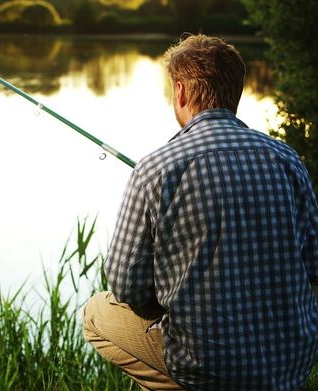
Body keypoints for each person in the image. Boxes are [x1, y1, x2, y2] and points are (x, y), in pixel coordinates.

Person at [82, 34, 318, 391]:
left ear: (180, 92)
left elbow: (126, 284)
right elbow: (314, 264)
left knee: (96, 314)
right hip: (291, 364)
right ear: (236, 92)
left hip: (204, 367)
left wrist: (169, 296)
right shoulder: (287, 160)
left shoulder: (155, 169)